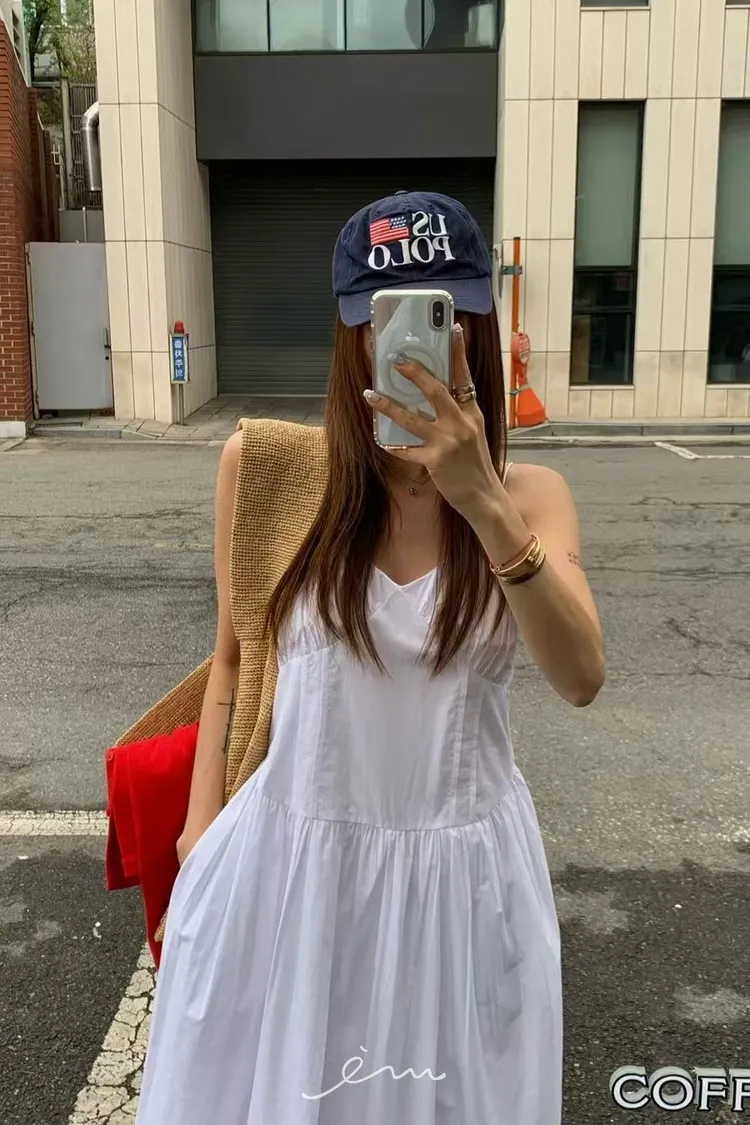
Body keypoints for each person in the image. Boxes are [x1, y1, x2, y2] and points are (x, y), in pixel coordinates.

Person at [135, 191, 605, 1125]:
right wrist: (198, 832)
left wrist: (482, 500)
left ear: (477, 327)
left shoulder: (532, 497)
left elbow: (582, 676)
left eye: (444, 316)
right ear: (352, 335)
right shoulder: (270, 473)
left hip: (466, 892)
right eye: (383, 320)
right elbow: (231, 661)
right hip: (290, 878)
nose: (416, 347)